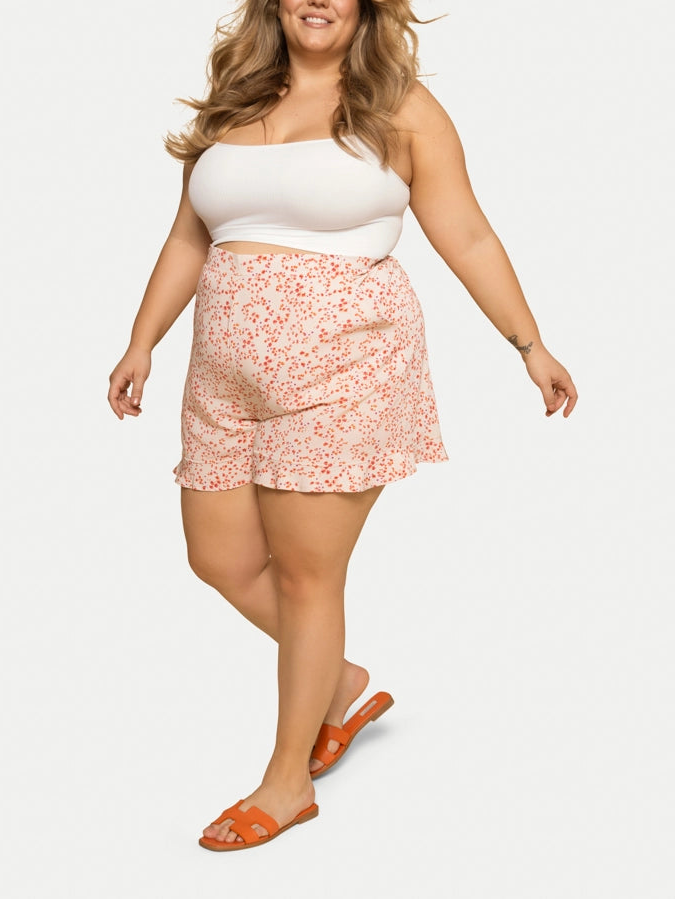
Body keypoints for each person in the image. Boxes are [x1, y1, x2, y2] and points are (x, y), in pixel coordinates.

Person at [108, 0, 578, 852]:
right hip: (221, 375)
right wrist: (141, 340)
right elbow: (189, 236)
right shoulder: (236, 99)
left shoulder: (399, 107)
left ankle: (287, 784)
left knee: (302, 578)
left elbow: (464, 234)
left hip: (344, 372)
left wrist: (529, 344)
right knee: (215, 558)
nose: (315, 0)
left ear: (363, 7)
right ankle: (343, 681)